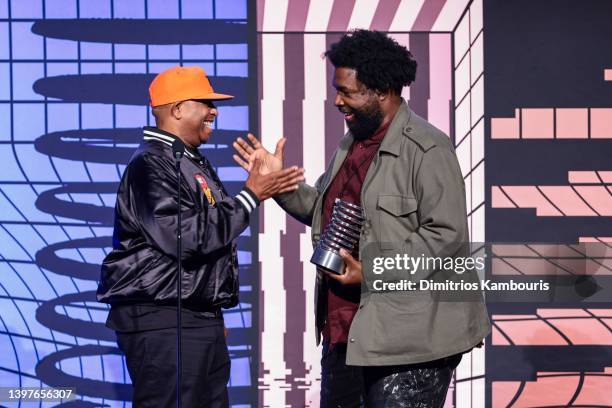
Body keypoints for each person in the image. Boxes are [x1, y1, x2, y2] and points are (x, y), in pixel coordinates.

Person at [233, 30, 491, 407]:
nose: (337, 101)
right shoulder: (351, 143)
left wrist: (369, 270)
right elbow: (326, 211)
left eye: (347, 92)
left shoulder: (428, 148)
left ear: (382, 90)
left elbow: (445, 238)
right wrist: (279, 183)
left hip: (410, 342)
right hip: (347, 331)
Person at [97, 66, 304, 407]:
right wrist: (250, 195)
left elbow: (209, 244)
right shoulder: (151, 163)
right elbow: (184, 237)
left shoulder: (189, 162)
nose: (214, 111)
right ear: (177, 109)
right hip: (163, 321)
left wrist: (211, 315)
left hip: (194, 319)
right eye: (205, 102)